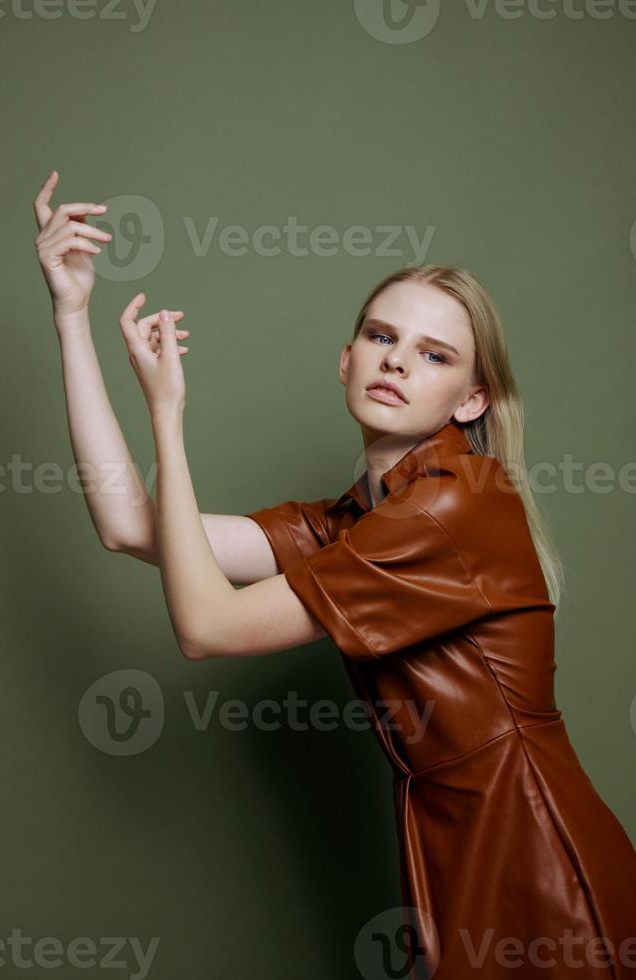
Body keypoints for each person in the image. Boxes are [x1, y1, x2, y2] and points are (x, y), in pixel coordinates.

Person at [34, 170, 636, 979]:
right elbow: (129, 526)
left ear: (470, 400)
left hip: (537, 861)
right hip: (455, 843)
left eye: (434, 354)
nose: (397, 363)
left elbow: (206, 629)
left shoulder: (449, 510)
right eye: (383, 339)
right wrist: (71, 314)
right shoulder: (354, 520)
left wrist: (168, 419)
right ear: (346, 360)